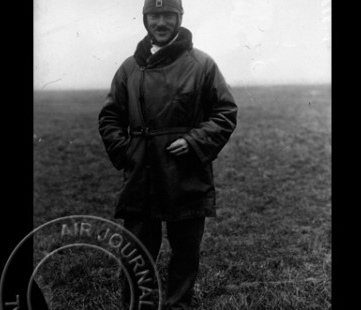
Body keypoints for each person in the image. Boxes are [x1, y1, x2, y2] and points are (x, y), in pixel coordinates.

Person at [98, 0, 237, 309]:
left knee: (186, 252)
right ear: (145, 19)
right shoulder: (129, 68)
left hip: (185, 172)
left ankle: (178, 306)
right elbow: (110, 118)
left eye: (168, 16)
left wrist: (195, 141)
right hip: (141, 175)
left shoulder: (201, 64)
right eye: (154, 16)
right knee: (135, 253)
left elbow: (224, 113)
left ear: (179, 18)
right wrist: (127, 152)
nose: (160, 23)